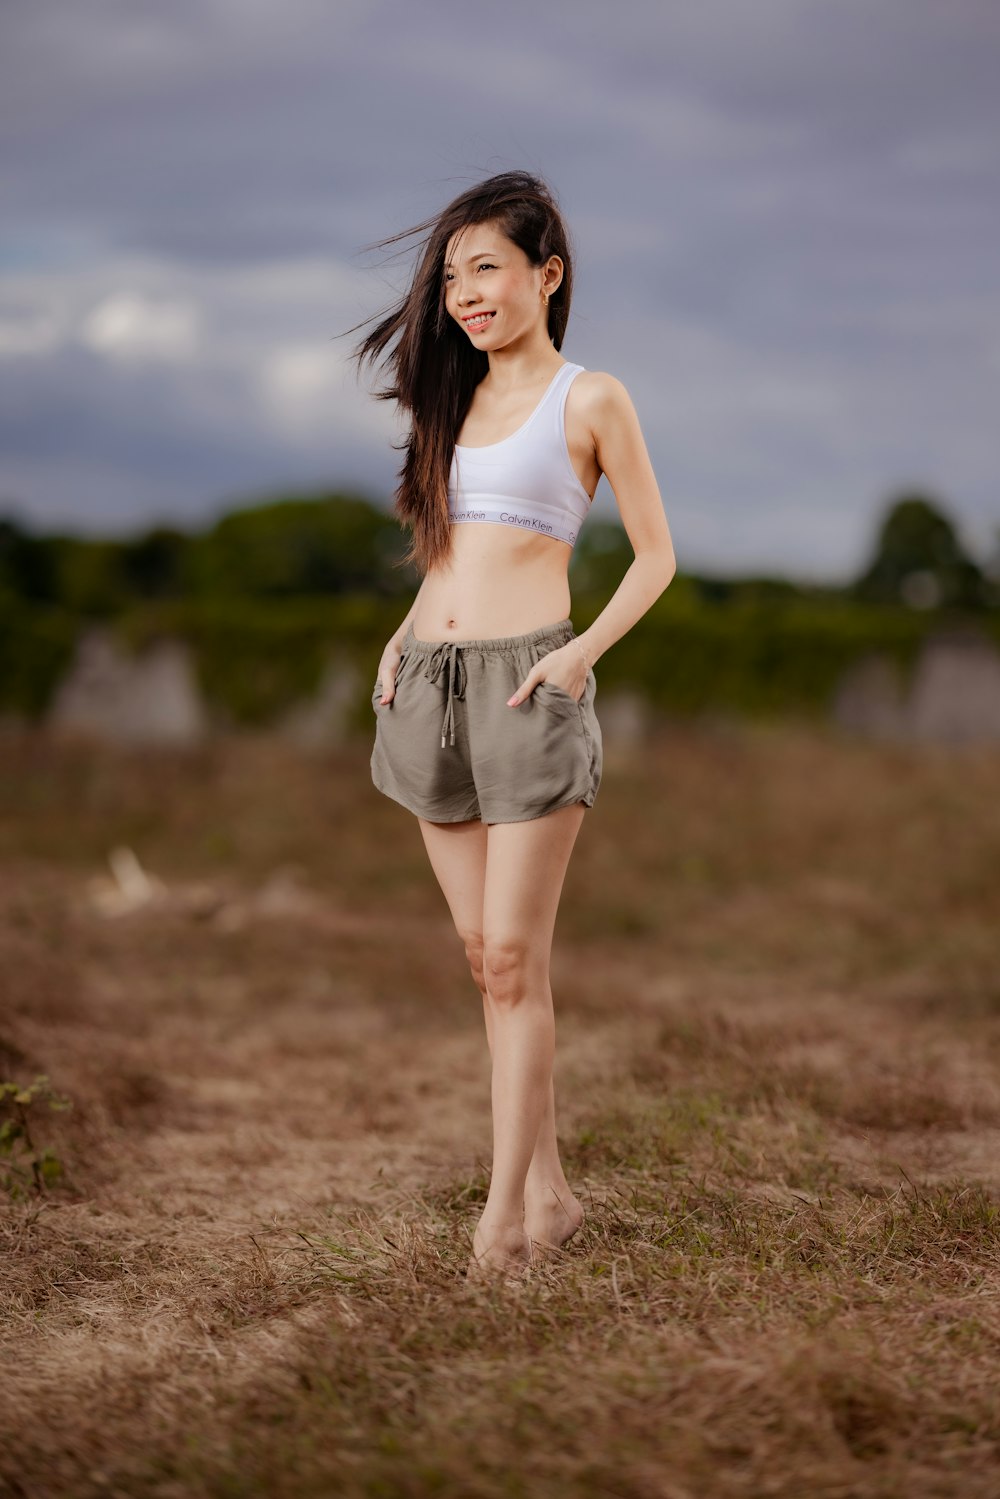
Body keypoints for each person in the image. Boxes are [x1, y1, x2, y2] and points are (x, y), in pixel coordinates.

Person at [348, 170, 676, 1281]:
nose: (464, 294)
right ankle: (551, 1189)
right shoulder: (453, 399)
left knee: (510, 960)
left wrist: (579, 651)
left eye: (485, 268)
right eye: (450, 277)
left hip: (529, 685)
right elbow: (450, 549)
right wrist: (402, 633)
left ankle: (503, 1224)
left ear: (548, 272)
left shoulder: (591, 398)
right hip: (427, 681)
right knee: (478, 956)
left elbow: (655, 555)